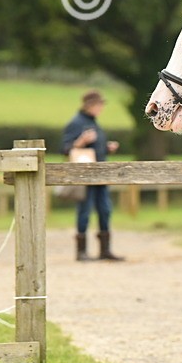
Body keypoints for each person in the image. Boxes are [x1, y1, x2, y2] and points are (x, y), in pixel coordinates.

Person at [62, 89, 124, 262]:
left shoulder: (94, 123)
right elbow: (66, 149)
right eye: (99, 105)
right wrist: (81, 142)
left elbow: (95, 150)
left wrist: (107, 148)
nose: (101, 108)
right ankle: (81, 252)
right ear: (90, 105)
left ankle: (105, 249)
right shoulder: (76, 123)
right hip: (85, 175)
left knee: (105, 210)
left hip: (100, 174)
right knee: (84, 212)